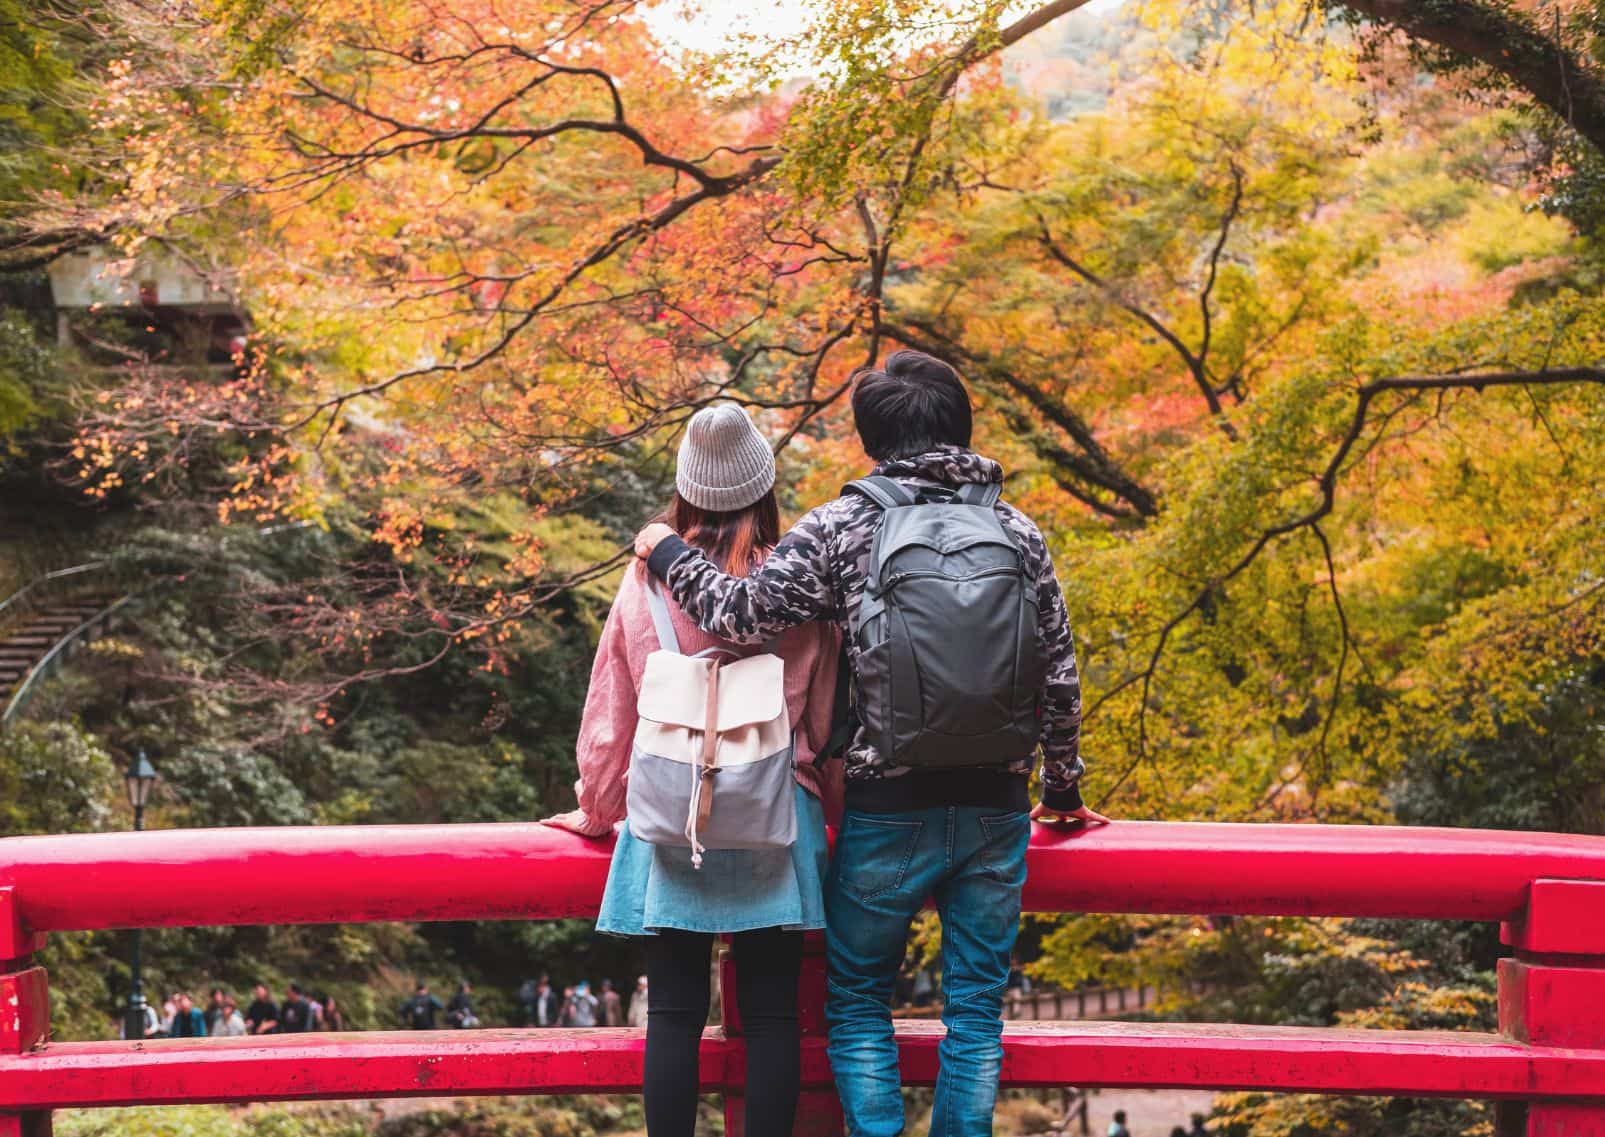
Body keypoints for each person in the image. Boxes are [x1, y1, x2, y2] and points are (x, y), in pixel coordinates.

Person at [636, 351, 1110, 1136]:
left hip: (888, 804)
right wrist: (1059, 787)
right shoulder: (1017, 531)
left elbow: (738, 611)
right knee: (975, 1013)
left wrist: (664, 549)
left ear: (871, 439)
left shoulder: (843, 524)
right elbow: (1057, 673)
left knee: (857, 1003)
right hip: (996, 806)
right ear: (960, 426)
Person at [544, 403, 843, 1137]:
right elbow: (827, 719)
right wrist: (834, 806)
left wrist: (598, 805)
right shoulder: (794, 581)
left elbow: (613, 707)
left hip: (671, 813)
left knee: (672, 1014)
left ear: (685, 491)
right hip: (777, 812)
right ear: (764, 488)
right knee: (774, 1016)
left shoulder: (646, 584)